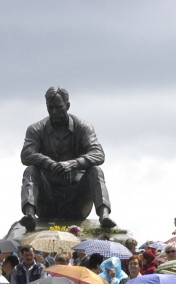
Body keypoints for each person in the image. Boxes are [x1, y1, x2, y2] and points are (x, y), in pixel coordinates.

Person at [19, 86, 113, 231]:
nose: (54, 111)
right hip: (48, 200)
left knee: (96, 170)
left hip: (77, 201)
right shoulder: (36, 129)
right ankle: (29, 215)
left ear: (67, 105)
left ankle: (104, 215)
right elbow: (26, 154)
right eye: (50, 108)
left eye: (58, 107)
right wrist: (50, 164)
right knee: (30, 170)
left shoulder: (83, 127)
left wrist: (73, 164)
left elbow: (99, 154)